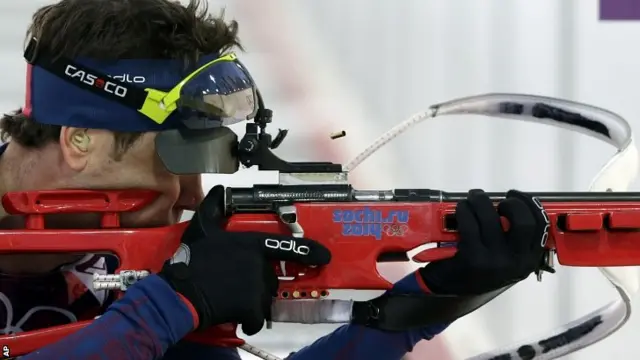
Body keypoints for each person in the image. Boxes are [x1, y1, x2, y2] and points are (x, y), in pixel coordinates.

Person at [0, 0, 551, 358]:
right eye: (173, 156)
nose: (191, 196)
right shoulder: (157, 287)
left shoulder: (142, 255)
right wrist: (170, 307)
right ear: (79, 142)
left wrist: (425, 301)